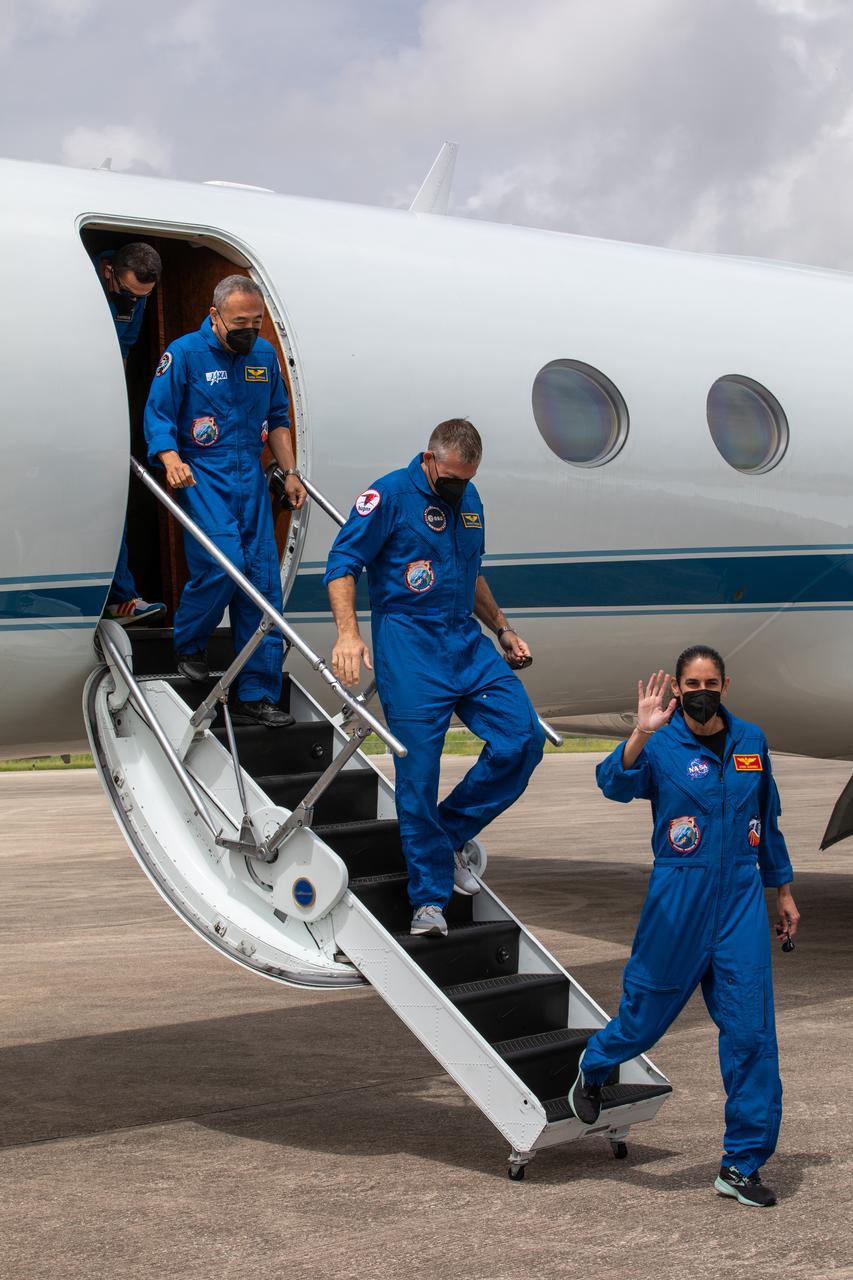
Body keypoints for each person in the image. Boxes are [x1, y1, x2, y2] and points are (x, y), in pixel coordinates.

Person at [568, 646, 800, 1209]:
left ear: (725, 684)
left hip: (741, 900)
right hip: (678, 898)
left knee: (752, 1037)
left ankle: (741, 1165)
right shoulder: (662, 741)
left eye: (711, 682)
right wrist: (641, 734)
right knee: (643, 1022)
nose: (701, 690)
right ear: (676, 685)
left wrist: (784, 892)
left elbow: (764, 821)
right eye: (691, 682)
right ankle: (594, 1066)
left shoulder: (751, 740)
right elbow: (613, 783)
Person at [324, 418, 545, 937]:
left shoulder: (470, 502)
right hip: (411, 650)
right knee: (418, 777)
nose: (457, 488)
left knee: (524, 738)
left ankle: (446, 836)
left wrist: (503, 629)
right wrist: (348, 635)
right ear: (429, 459)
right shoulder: (389, 496)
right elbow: (342, 563)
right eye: (449, 479)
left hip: (465, 644)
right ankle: (428, 901)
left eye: (466, 480)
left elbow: (472, 576)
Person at [143, 274, 306, 727]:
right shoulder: (184, 354)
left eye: (256, 321)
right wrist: (170, 456)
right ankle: (190, 640)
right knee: (221, 563)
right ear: (215, 316)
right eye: (240, 321)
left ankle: (256, 692)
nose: (249, 330)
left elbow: (277, 418)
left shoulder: (264, 355)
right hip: (204, 477)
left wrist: (290, 472)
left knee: (262, 584)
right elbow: (158, 415)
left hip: (249, 481)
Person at [93, 241, 167, 625]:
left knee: (112, 500)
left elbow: (123, 350)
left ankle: (121, 596)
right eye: (128, 293)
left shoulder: (133, 299)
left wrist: (112, 407)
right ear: (109, 272)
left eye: (143, 297)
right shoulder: (83, 283)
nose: (133, 302)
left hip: (100, 406)